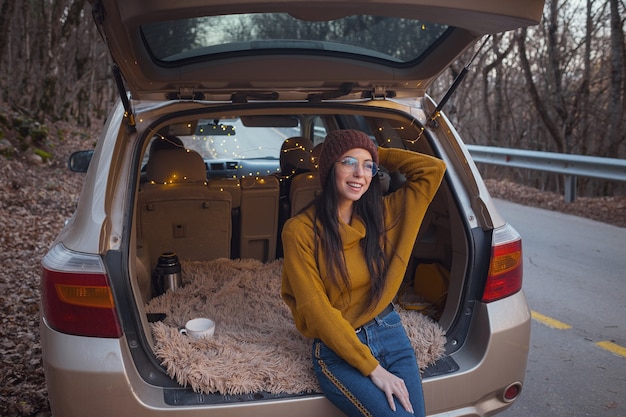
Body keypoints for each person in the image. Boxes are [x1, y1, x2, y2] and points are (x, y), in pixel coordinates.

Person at [281, 129, 446, 417]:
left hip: (391, 332)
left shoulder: (381, 215)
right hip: (338, 349)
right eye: (348, 162)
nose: (360, 173)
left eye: (368, 165)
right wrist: (372, 368)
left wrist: (375, 152)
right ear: (329, 167)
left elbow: (433, 170)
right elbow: (316, 309)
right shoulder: (300, 231)